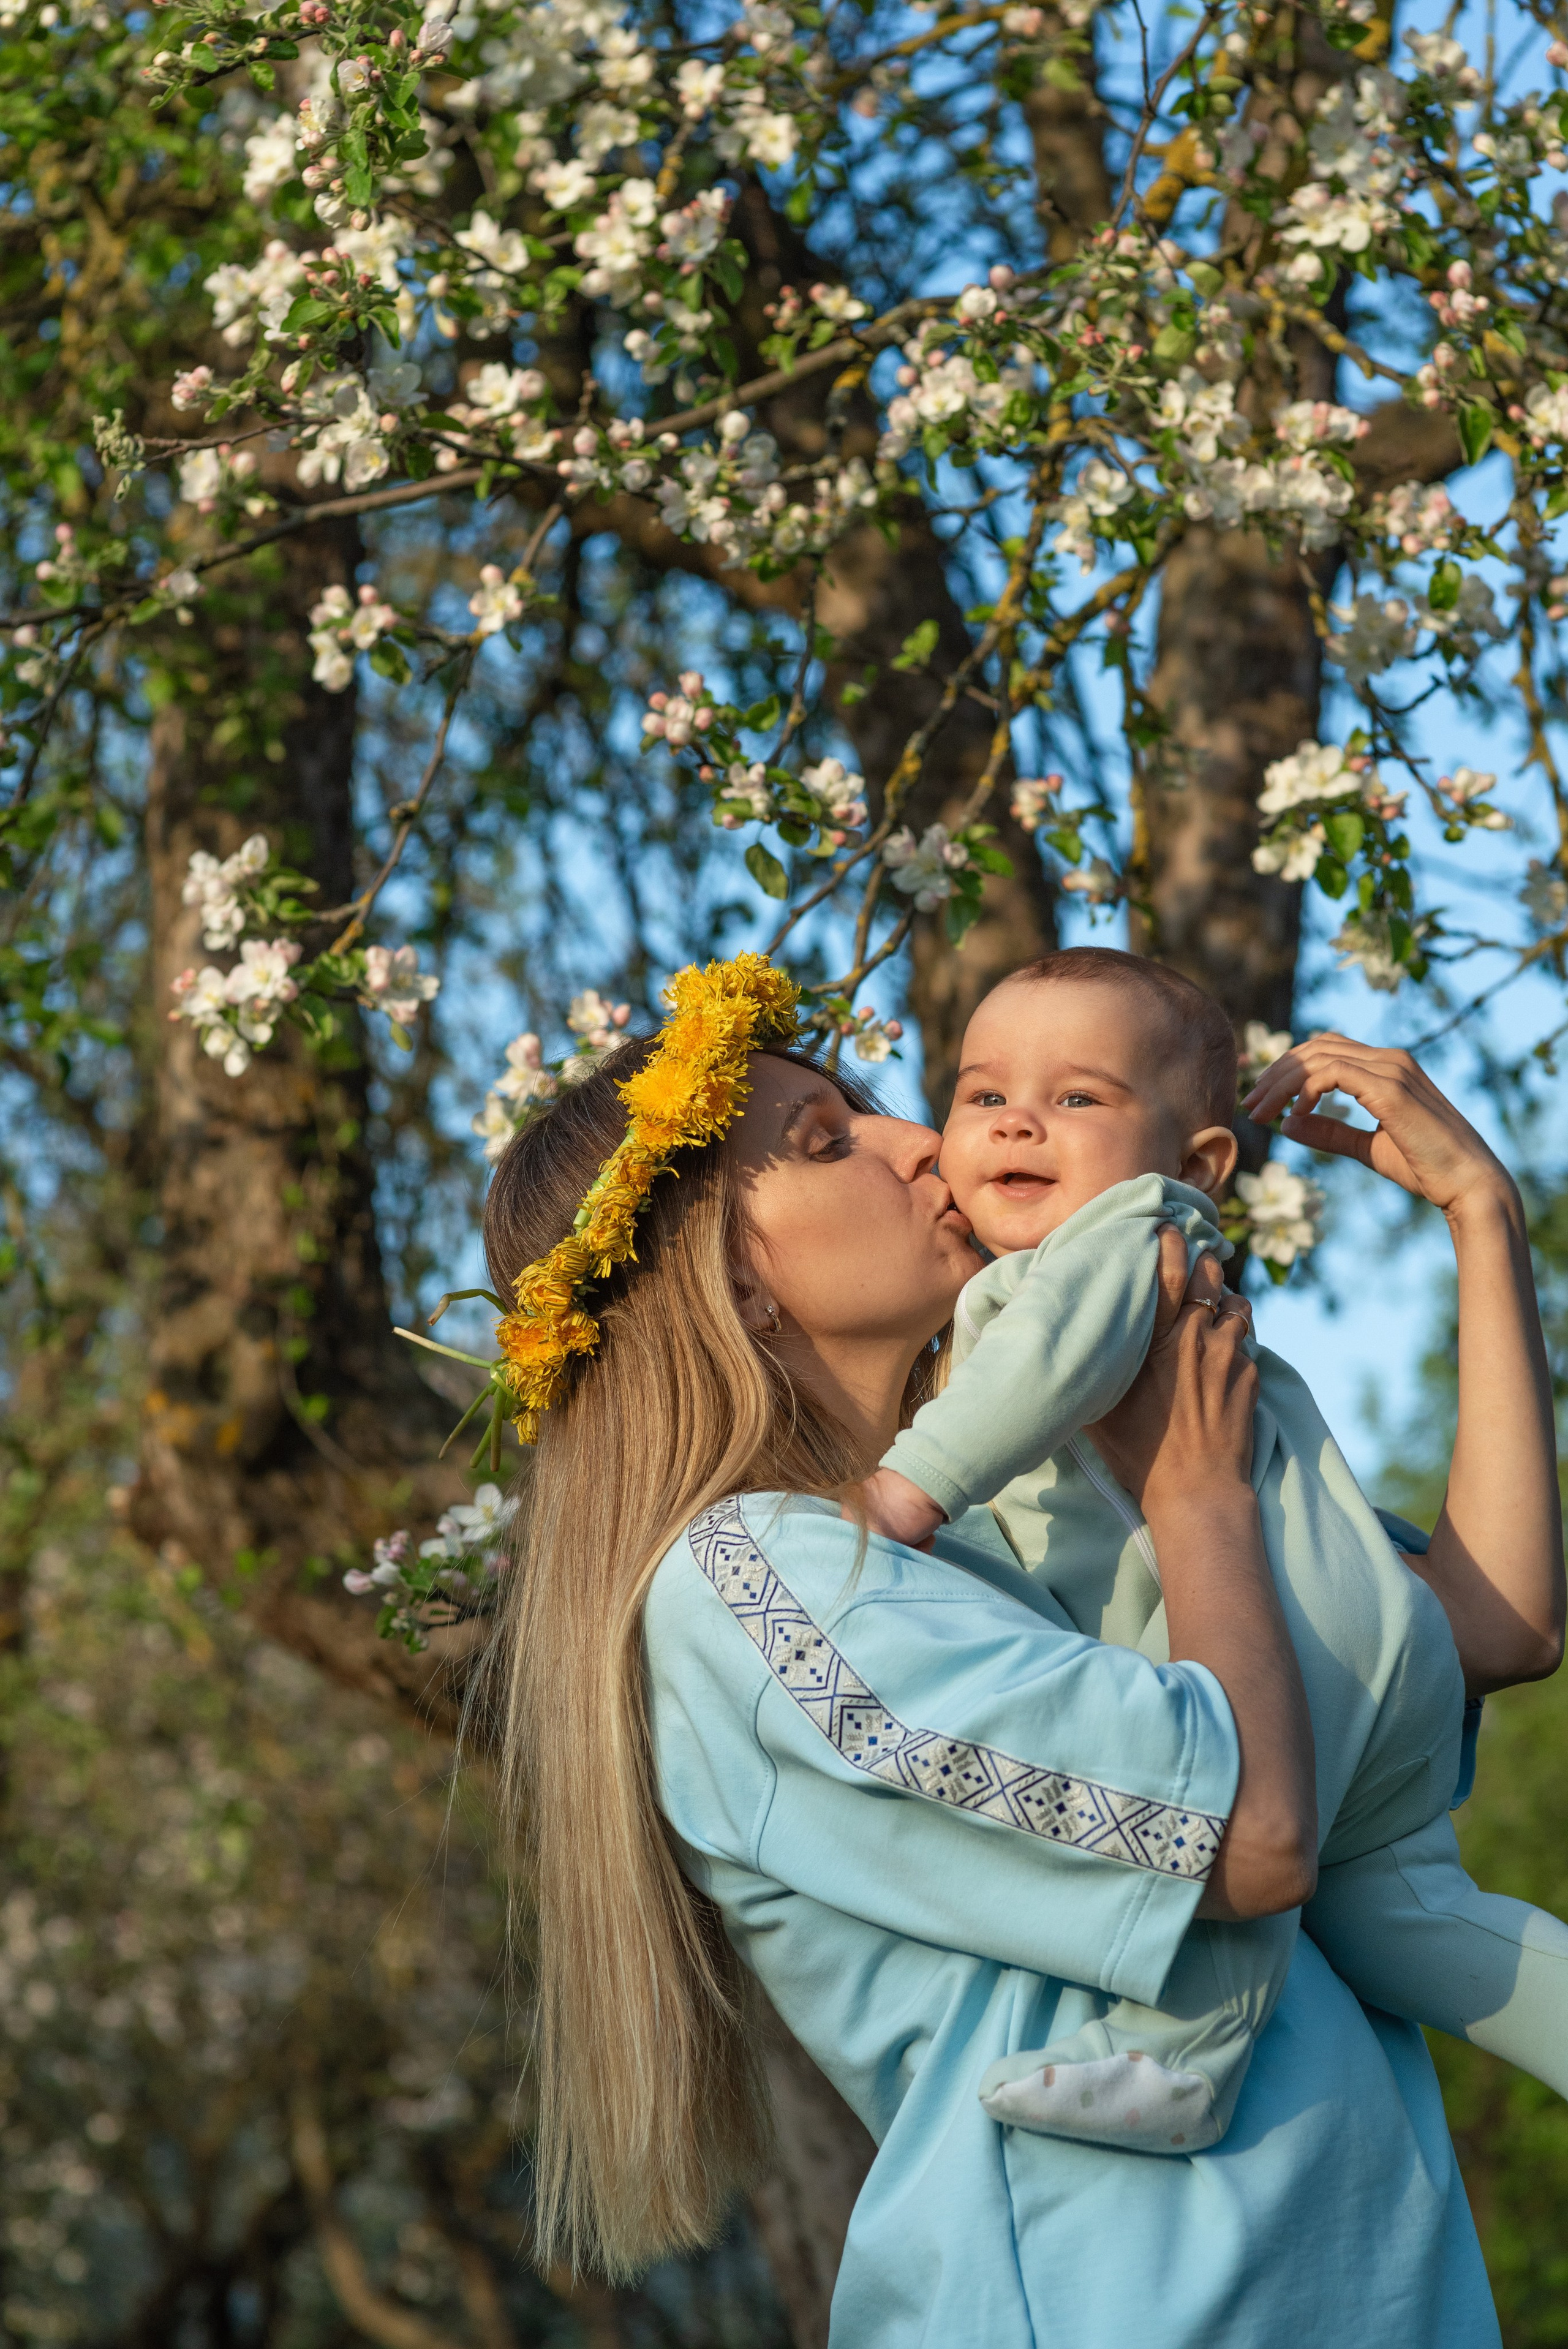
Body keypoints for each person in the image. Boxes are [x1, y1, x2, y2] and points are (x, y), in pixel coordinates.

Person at [480, 954, 1510, 2348]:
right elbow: (1255, 1842)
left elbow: (1490, 1629)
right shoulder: (753, 1581)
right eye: (826, 1142)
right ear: (729, 1275)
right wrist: (1196, 1496)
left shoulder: (1023, 1525)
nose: (921, 1142)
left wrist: (1479, 1219)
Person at [856, 948, 1568, 2154]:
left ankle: (1184, 2046)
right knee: (1416, 1921)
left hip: (1289, 1659)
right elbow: (1501, 1629)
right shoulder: (1176, 1306)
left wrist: (902, 1490)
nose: (1017, 1118)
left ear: (1194, 1166)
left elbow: (1034, 1372)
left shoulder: (1121, 1243)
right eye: (982, 1095)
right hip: (1370, 1652)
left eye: (1076, 1097)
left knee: (1213, 1767)